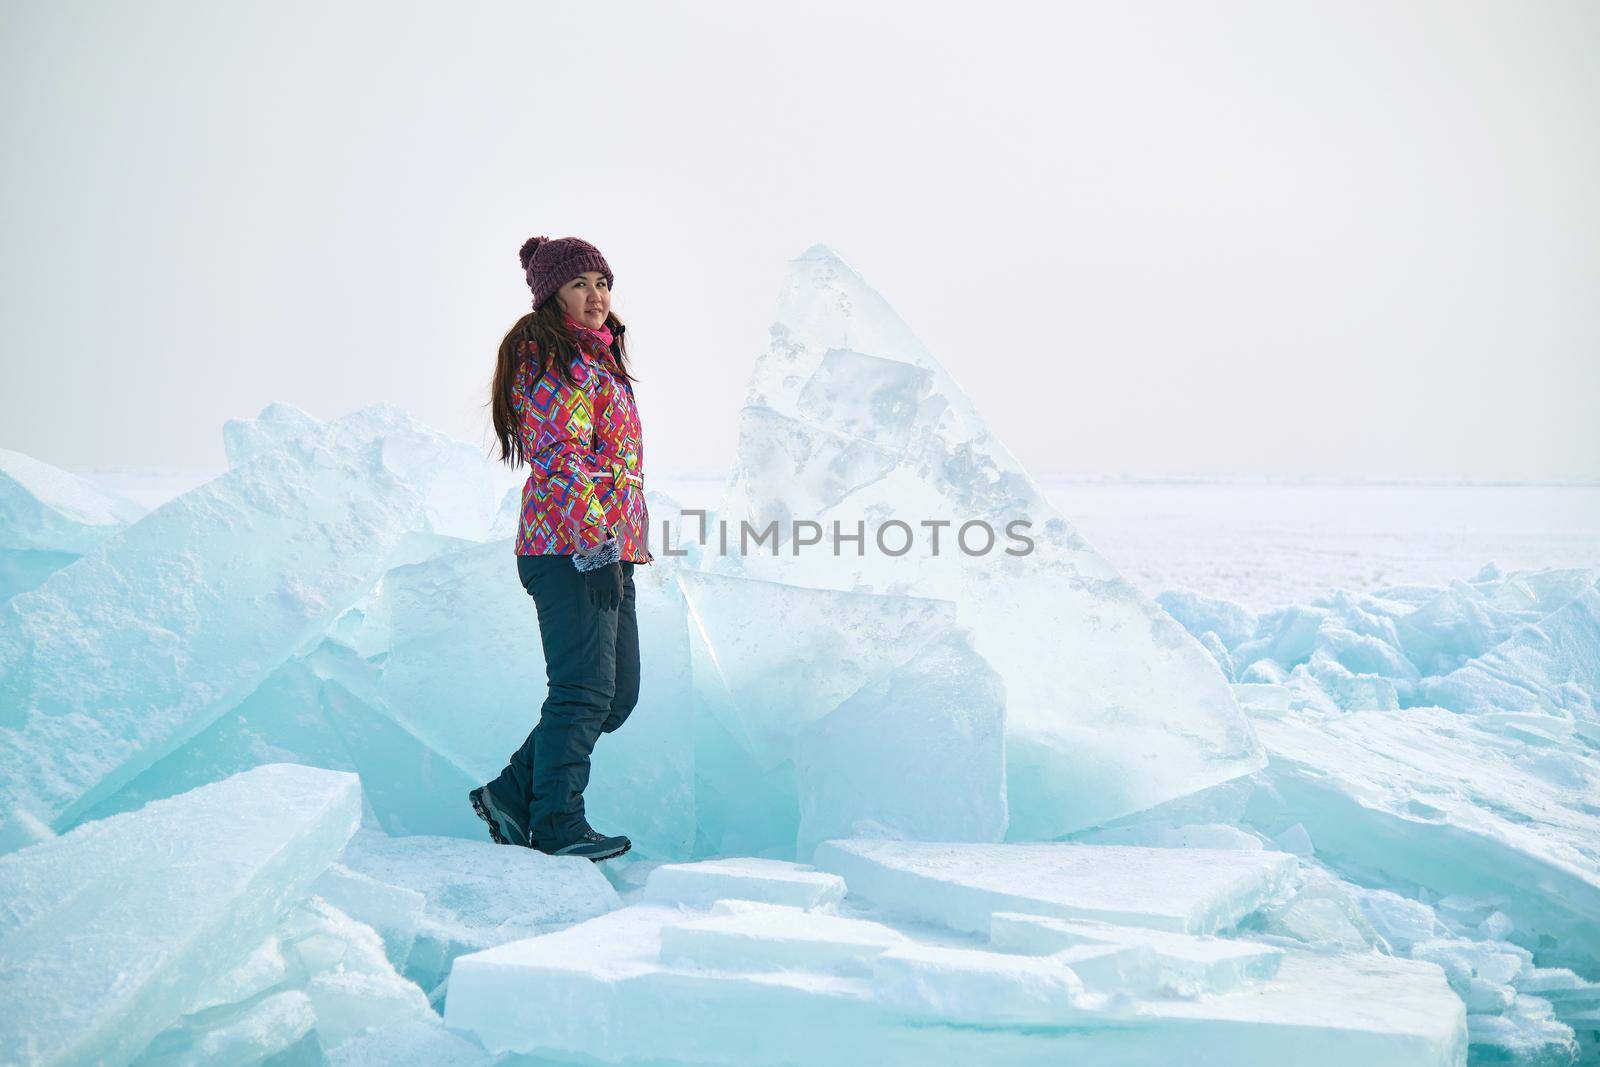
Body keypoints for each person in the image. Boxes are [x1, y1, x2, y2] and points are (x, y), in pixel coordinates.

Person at [470, 235, 654, 862]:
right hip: (568, 545)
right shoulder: (548, 356)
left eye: (602, 283)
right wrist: (595, 546)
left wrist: (615, 547)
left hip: (606, 544)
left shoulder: (599, 359)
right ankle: (556, 825)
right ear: (553, 295)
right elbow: (564, 458)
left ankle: (511, 793)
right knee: (580, 691)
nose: (596, 296)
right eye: (580, 284)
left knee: (615, 694)